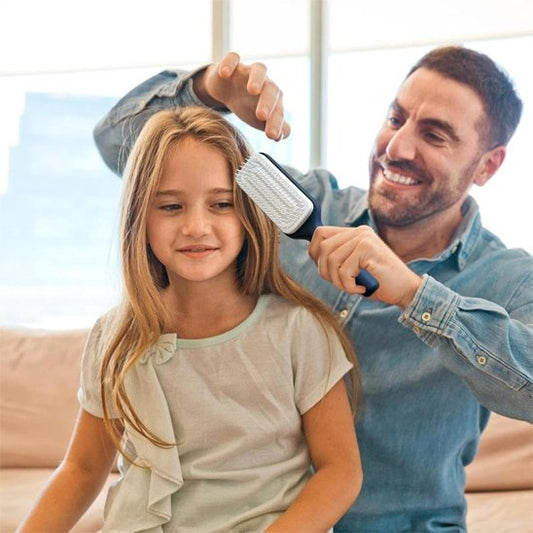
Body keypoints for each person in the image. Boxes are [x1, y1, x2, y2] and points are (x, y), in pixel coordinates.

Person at [92, 46, 533, 532]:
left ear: (487, 166)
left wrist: (415, 296)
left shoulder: (508, 279)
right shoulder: (297, 205)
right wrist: (210, 90)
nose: (398, 147)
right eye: (396, 118)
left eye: (434, 135)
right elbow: (120, 145)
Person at [18, 106, 363, 532]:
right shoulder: (114, 336)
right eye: (171, 206)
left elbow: (340, 471)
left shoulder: (298, 331)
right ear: (140, 218)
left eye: (221, 204)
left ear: (249, 213)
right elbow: (83, 468)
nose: (196, 226)